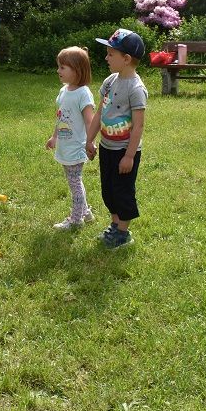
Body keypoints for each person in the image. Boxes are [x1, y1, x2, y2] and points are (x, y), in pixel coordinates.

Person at [86, 28, 147, 249]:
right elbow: (99, 113)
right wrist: (89, 140)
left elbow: (139, 125)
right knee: (108, 189)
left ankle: (123, 232)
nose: (106, 57)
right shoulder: (110, 81)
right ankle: (114, 225)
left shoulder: (136, 89)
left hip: (124, 150)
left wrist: (129, 156)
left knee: (122, 191)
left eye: (111, 54)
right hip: (107, 147)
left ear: (127, 59)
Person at [46, 46, 96, 231]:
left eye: (63, 67)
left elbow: (90, 121)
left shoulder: (83, 93)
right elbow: (60, 117)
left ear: (77, 70)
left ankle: (76, 219)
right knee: (75, 180)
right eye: (59, 66)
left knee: (75, 182)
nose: (58, 71)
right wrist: (54, 137)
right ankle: (86, 213)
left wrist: (90, 142)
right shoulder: (63, 91)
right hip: (65, 145)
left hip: (77, 146)